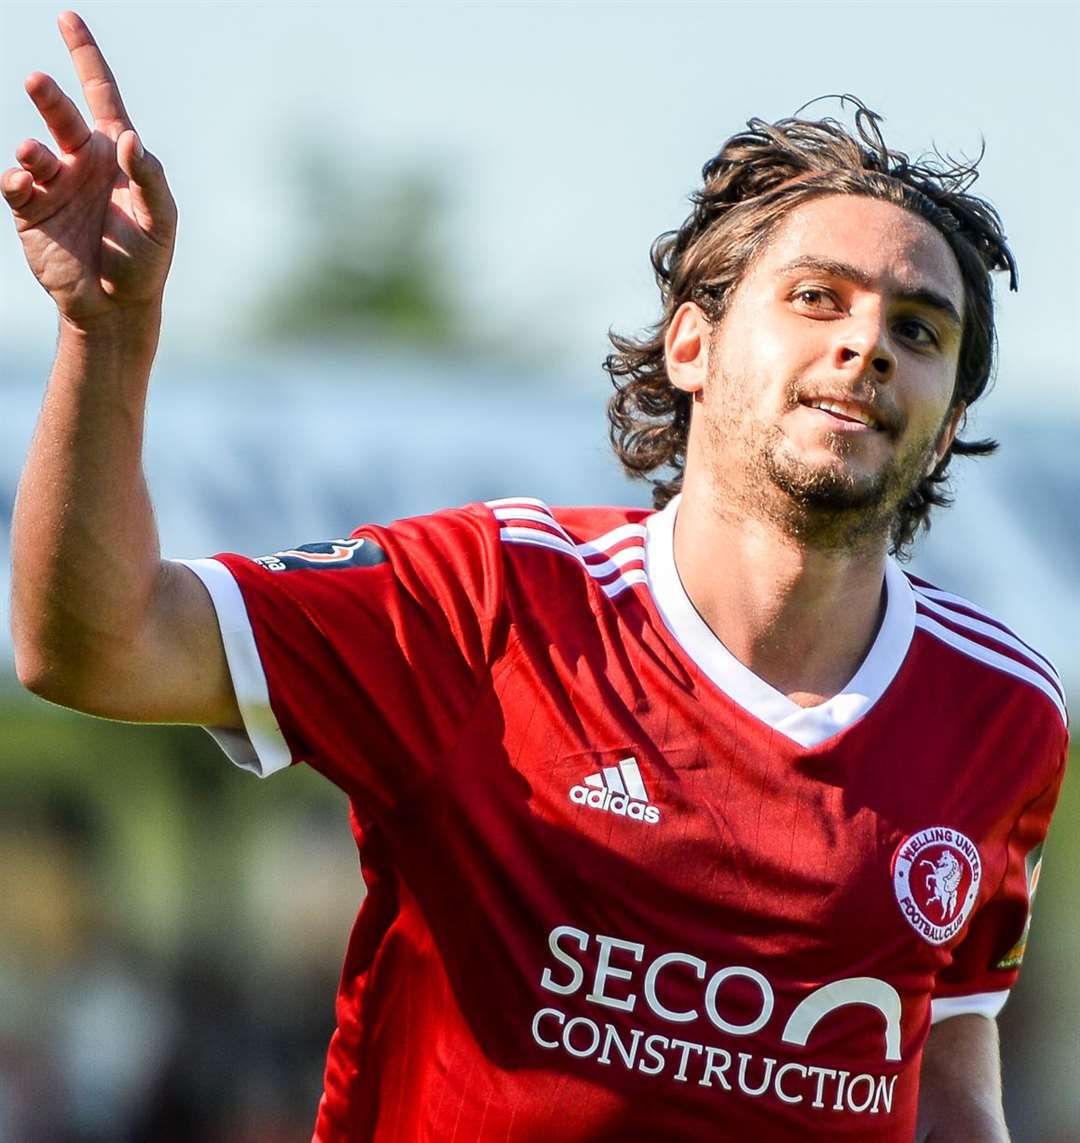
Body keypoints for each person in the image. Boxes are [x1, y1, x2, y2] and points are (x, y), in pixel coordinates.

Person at [4, 12, 1067, 1143]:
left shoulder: (1002, 713)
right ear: (691, 345)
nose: (868, 346)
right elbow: (94, 647)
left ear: (947, 423)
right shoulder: (492, 600)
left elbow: (947, 1082)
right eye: (818, 299)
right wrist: (106, 339)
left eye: (918, 328)